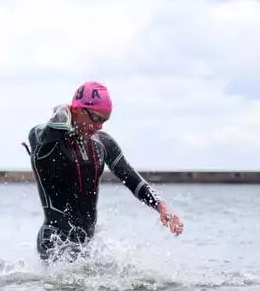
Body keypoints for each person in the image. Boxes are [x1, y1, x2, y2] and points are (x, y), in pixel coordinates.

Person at [23, 81, 183, 262]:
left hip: (86, 245)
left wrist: (161, 206)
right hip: (54, 241)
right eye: (96, 118)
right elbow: (46, 132)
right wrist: (62, 111)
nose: (99, 126)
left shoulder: (102, 143)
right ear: (77, 111)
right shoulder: (46, 141)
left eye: (104, 121)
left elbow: (131, 177)